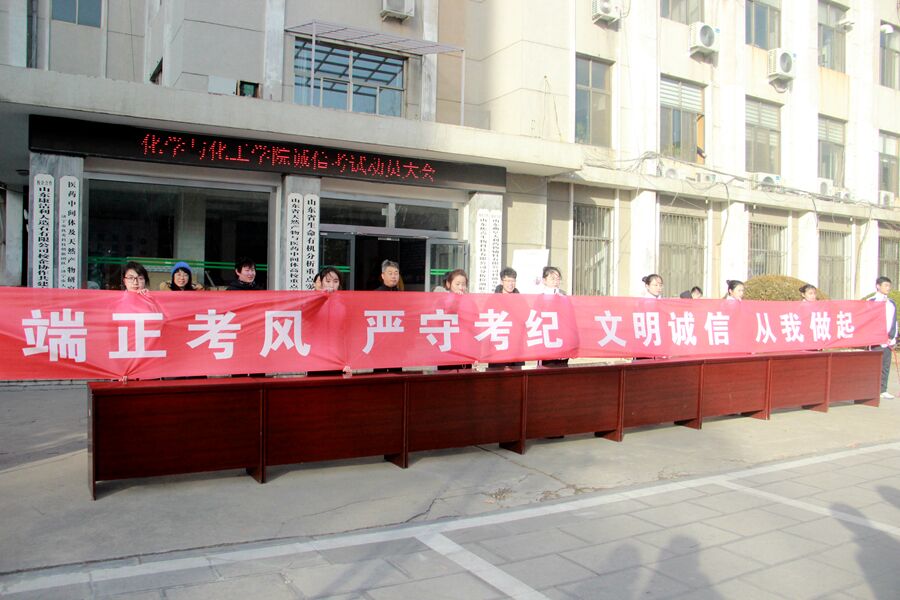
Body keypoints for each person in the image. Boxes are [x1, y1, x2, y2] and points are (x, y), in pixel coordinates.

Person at [870, 276, 897, 399]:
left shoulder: (891, 303)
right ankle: (872, 389)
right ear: (878, 286)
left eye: (889, 286)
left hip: (888, 340)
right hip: (876, 340)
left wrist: (892, 336)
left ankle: (883, 389)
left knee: (885, 365)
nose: (888, 288)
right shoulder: (872, 301)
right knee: (875, 365)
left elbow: (894, 321)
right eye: (885, 285)